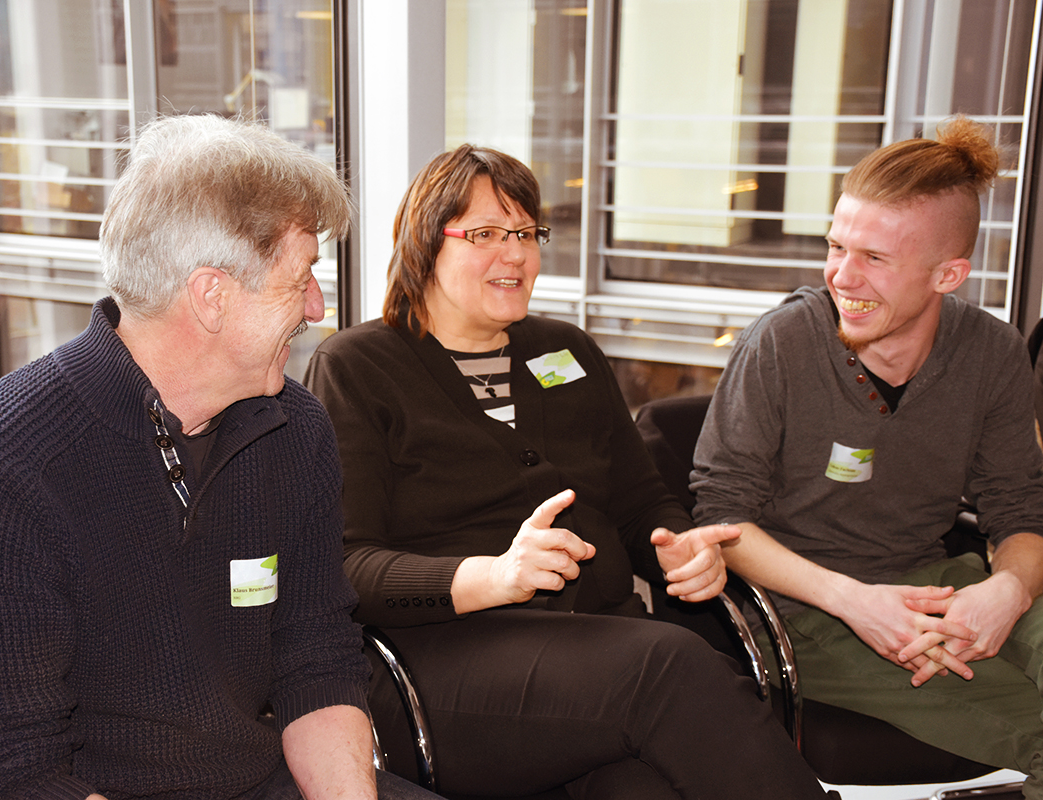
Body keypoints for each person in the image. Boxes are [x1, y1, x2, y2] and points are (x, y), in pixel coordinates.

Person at [0, 115, 439, 800]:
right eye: (299, 278)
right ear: (211, 296)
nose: (317, 305)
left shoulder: (292, 431)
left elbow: (317, 658)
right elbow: (5, 777)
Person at [305, 144, 829, 799]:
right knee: (670, 662)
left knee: (643, 787)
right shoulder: (357, 367)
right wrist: (494, 576)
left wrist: (678, 545)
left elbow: (642, 501)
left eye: (526, 233)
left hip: (596, 651)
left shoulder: (566, 350)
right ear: (424, 242)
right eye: (487, 233)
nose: (516, 253)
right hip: (444, 664)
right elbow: (346, 568)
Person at [690, 115, 1043, 796]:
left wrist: (1010, 588)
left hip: (940, 582)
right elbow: (722, 522)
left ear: (949, 273)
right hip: (805, 609)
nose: (842, 276)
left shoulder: (993, 354)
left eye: (874, 258)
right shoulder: (782, 345)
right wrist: (857, 603)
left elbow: (1020, 508)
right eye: (836, 245)